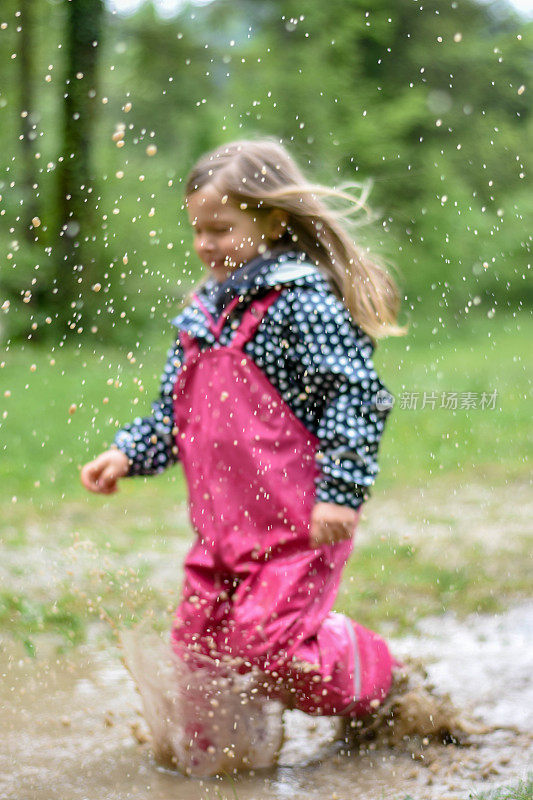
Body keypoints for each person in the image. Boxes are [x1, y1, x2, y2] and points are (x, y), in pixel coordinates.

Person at [81, 137, 407, 725]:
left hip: (296, 528)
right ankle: (220, 768)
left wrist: (341, 494)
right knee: (198, 660)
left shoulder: (301, 304)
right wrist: (127, 453)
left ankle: (381, 675)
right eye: (198, 231)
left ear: (274, 218)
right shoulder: (201, 319)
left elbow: (353, 396)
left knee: (270, 650)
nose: (206, 245)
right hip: (221, 533)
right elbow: (171, 417)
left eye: (222, 229)